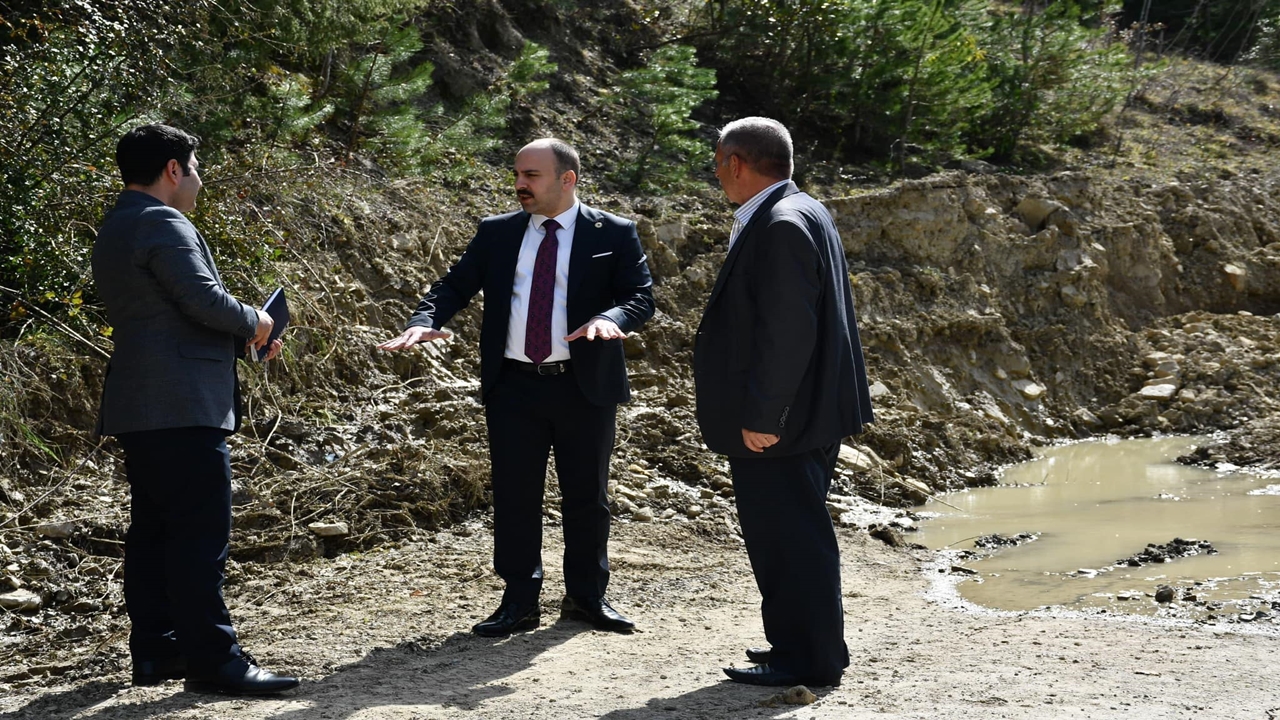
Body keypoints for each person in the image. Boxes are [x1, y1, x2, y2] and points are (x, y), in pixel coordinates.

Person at [378, 138, 654, 637]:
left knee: (587, 497)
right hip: (514, 387)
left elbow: (640, 296)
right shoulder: (498, 232)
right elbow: (453, 285)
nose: (520, 185)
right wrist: (425, 320)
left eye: (532, 175)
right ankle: (519, 600)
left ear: (566, 179)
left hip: (583, 386)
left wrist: (610, 318)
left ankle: (588, 598)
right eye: (518, 174)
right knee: (514, 495)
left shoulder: (613, 231)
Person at [92, 124, 297, 695]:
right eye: (195, 168)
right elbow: (200, 298)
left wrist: (239, 339)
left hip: (143, 399)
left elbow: (165, 313)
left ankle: (159, 651)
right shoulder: (161, 220)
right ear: (174, 169)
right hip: (180, 403)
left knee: (156, 532)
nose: (199, 181)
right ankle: (216, 661)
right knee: (198, 535)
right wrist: (255, 320)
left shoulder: (118, 223)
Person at [694, 117, 874, 687]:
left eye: (717, 161)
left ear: (736, 163)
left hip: (783, 422)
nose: (716, 172)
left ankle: (810, 660)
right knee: (785, 538)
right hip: (806, 413)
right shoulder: (801, 210)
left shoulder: (779, 224)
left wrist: (764, 416)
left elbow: (786, 332)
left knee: (791, 541)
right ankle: (794, 643)